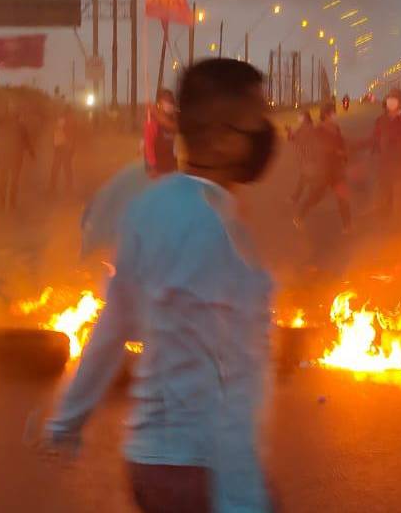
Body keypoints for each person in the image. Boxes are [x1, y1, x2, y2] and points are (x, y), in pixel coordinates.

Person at [39, 59, 278, 512]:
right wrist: (243, 500)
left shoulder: (148, 208)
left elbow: (112, 328)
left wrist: (67, 420)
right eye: (256, 121)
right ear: (223, 137)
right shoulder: (218, 233)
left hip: (148, 463)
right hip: (201, 472)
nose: (266, 134)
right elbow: (232, 379)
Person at [294, 101, 352, 233]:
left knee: (342, 197)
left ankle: (347, 225)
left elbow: (341, 143)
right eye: (332, 113)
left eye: (334, 112)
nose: (335, 115)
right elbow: (317, 147)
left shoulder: (336, 128)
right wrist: (334, 151)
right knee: (314, 196)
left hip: (337, 170)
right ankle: (299, 216)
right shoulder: (318, 130)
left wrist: (344, 153)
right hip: (323, 170)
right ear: (325, 115)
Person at [370, 87, 401, 218]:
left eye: (395, 98)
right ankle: (385, 213)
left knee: (400, 192)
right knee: (385, 187)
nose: (391, 102)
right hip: (384, 161)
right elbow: (375, 137)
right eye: (390, 98)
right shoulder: (381, 120)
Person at [0, 100, 36, 211]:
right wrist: (32, 153)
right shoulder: (20, 126)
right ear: (17, 116)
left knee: (4, 180)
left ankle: (3, 203)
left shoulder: (5, 124)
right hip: (15, 157)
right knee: (13, 181)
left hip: (5, 156)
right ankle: (10, 204)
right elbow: (27, 142)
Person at [144, 89, 180, 177]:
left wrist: (175, 166)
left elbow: (172, 127)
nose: (169, 105)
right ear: (160, 104)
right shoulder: (152, 122)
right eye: (166, 102)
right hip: (157, 169)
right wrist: (152, 166)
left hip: (170, 167)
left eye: (171, 102)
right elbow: (149, 146)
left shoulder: (173, 120)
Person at [286, 108, 318, 205]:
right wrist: (289, 131)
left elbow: (296, 139)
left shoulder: (308, 128)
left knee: (304, 177)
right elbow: (293, 139)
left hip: (309, 157)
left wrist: (291, 132)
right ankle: (312, 194)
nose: (299, 118)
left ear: (305, 118)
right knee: (307, 178)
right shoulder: (304, 127)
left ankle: (296, 198)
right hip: (306, 158)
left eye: (300, 116)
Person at [48, 105, 79, 194]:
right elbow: (73, 136)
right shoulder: (71, 121)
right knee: (67, 169)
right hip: (65, 148)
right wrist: (72, 148)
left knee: (56, 168)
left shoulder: (60, 120)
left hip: (59, 147)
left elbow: (55, 133)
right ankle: (68, 188)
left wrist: (54, 145)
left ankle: (52, 188)